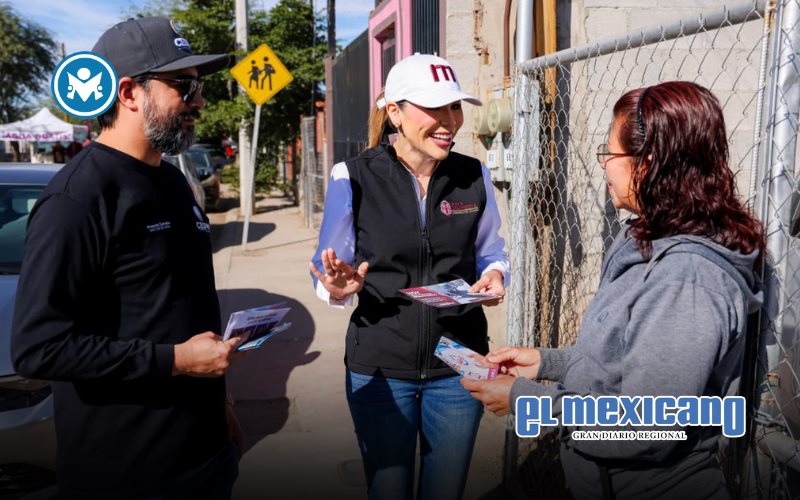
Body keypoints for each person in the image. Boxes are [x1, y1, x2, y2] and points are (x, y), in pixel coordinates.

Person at [463, 81, 765, 499]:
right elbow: (622, 358)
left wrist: (529, 401)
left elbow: (648, 426)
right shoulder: (644, 236)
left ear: (648, 165)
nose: (604, 164)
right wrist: (547, 362)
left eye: (611, 154)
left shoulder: (686, 279)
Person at [11, 17, 242, 499]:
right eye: (184, 86)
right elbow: (40, 347)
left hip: (205, 456)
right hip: (129, 474)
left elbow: (179, 309)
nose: (199, 101)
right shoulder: (77, 199)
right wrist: (175, 360)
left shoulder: (173, 182)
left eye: (199, 86)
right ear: (129, 92)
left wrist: (221, 406)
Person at [308, 53, 510, 500]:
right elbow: (327, 271)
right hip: (381, 368)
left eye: (454, 107)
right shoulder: (352, 177)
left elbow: (491, 252)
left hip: (459, 363)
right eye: (434, 107)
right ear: (395, 112)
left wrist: (496, 275)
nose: (449, 121)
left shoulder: (473, 174)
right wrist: (336, 288)